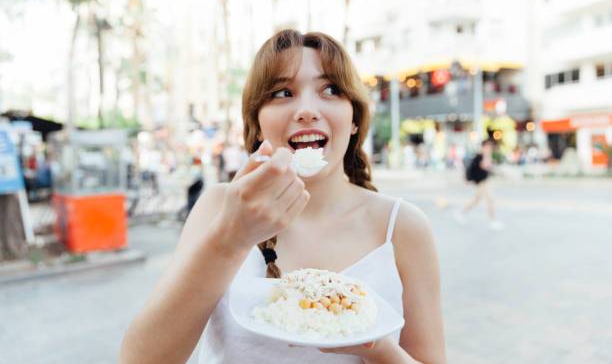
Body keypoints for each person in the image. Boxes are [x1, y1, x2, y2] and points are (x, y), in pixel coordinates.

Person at [119, 30, 446, 364]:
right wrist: (231, 237)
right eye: (282, 92)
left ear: (354, 119)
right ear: (257, 124)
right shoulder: (220, 206)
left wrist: (376, 348)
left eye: (330, 90)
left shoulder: (402, 227)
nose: (306, 110)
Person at [455, 139, 503, 229]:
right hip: (482, 182)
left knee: (476, 200)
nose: (490, 148)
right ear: (484, 146)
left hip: (484, 182)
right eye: (488, 146)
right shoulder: (480, 156)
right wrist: (487, 155)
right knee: (490, 200)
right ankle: (492, 221)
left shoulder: (482, 156)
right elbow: (486, 166)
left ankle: (461, 213)